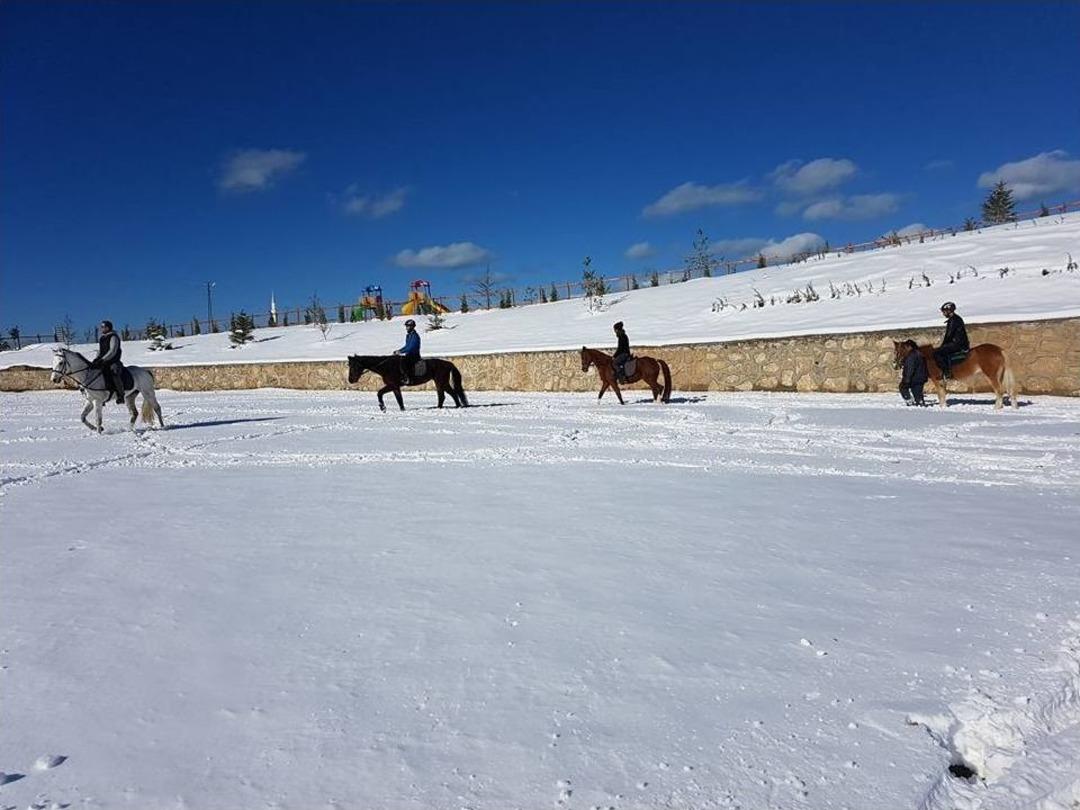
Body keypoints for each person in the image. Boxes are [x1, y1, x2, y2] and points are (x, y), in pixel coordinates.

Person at [90, 319, 125, 404]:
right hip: (104, 361)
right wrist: (97, 359)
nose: (102, 328)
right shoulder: (102, 338)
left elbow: (112, 351)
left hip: (113, 361)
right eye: (101, 327)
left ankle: (121, 394)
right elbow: (101, 351)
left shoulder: (113, 337)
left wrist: (103, 359)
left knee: (114, 373)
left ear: (109, 327)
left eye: (104, 327)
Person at [933, 302, 969, 379]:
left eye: (944, 311)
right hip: (958, 343)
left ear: (949, 311)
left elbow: (949, 335)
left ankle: (947, 372)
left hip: (958, 344)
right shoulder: (954, 319)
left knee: (937, 353)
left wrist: (942, 346)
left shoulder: (954, 320)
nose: (943, 314)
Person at [899, 340, 928, 406]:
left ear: (910, 347)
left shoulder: (911, 356)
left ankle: (909, 401)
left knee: (902, 387)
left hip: (914, 378)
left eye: (906, 347)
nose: (905, 348)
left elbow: (910, 368)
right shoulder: (920, 354)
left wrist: (907, 379)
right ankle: (919, 403)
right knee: (918, 393)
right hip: (921, 378)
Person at [394, 318, 421, 384]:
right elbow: (406, 346)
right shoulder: (408, 336)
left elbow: (411, 347)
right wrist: (399, 350)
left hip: (414, 355)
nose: (406, 328)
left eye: (408, 326)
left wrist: (400, 352)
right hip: (409, 355)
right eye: (406, 326)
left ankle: (408, 378)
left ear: (412, 327)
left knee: (404, 363)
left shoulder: (415, 336)